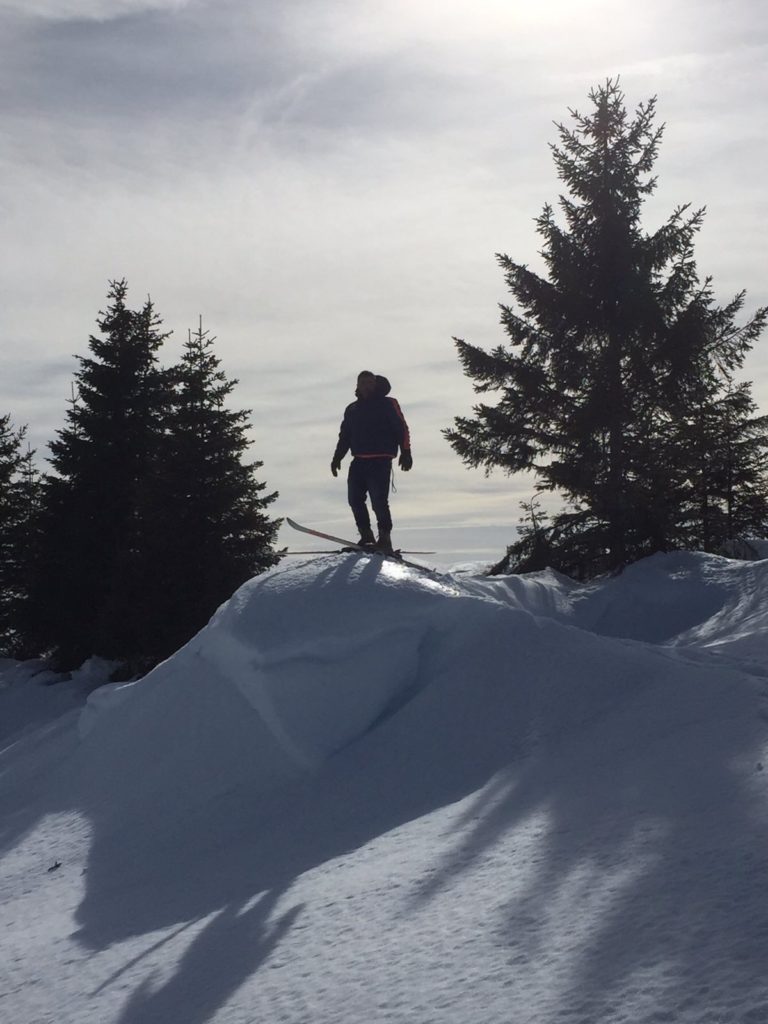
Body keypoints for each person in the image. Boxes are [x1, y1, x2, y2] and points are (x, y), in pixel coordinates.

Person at [331, 370, 412, 552]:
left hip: (381, 460)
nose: (367, 386)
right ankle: (366, 535)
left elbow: (401, 427)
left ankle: (384, 537)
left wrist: (406, 451)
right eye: (363, 383)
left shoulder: (388, 403)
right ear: (357, 386)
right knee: (354, 499)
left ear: (375, 384)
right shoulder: (352, 409)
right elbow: (345, 435)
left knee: (378, 501)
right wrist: (337, 457)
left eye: (370, 382)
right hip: (358, 460)